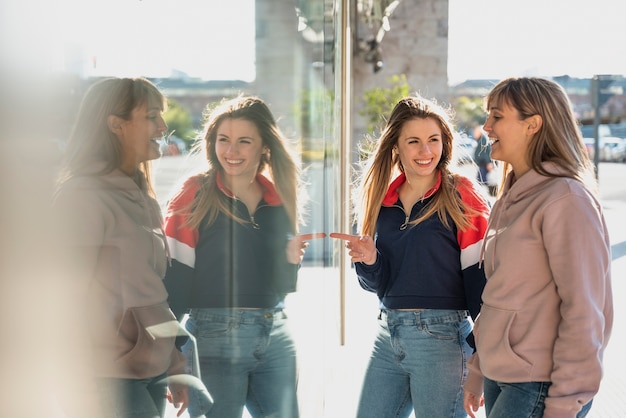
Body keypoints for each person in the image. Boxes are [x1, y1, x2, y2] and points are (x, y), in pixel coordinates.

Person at [51, 76, 208, 418]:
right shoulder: (82, 196)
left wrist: (175, 362)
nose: (163, 126)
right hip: (103, 377)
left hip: (147, 371)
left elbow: (152, 295)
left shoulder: (141, 195)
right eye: (152, 116)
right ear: (116, 125)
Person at [162, 95, 324, 418]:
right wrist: (170, 353)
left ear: (264, 146)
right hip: (211, 338)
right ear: (212, 143)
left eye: (243, 142)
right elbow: (172, 283)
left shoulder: (278, 198)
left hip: (274, 331)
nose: (231, 151)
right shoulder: (194, 194)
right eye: (224, 140)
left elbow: (279, 288)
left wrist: (290, 262)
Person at [331, 95, 490, 418]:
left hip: (442, 339)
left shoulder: (461, 193)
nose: (425, 151)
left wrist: (482, 356)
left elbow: (482, 280)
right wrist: (369, 260)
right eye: (414, 141)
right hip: (389, 333)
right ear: (397, 147)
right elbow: (378, 285)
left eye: (433, 140)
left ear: (445, 143)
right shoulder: (382, 199)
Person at [462, 77, 613, 418]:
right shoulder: (511, 196)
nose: (486, 126)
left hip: (540, 384)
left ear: (533, 124)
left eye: (497, 116)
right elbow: (500, 293)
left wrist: (565, 402)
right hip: (504, 376)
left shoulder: (566, 200)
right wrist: (479, 368)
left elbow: (585, 311)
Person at [472, 124, 497, 196]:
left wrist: (488, 162)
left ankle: (483, 196)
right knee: (480, 181)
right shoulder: (480, 139)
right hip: (482, 164)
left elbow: (487, 151)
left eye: (475, 131)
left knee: (482, 182)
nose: (474, 133)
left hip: (484, 164)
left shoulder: (483, 139)